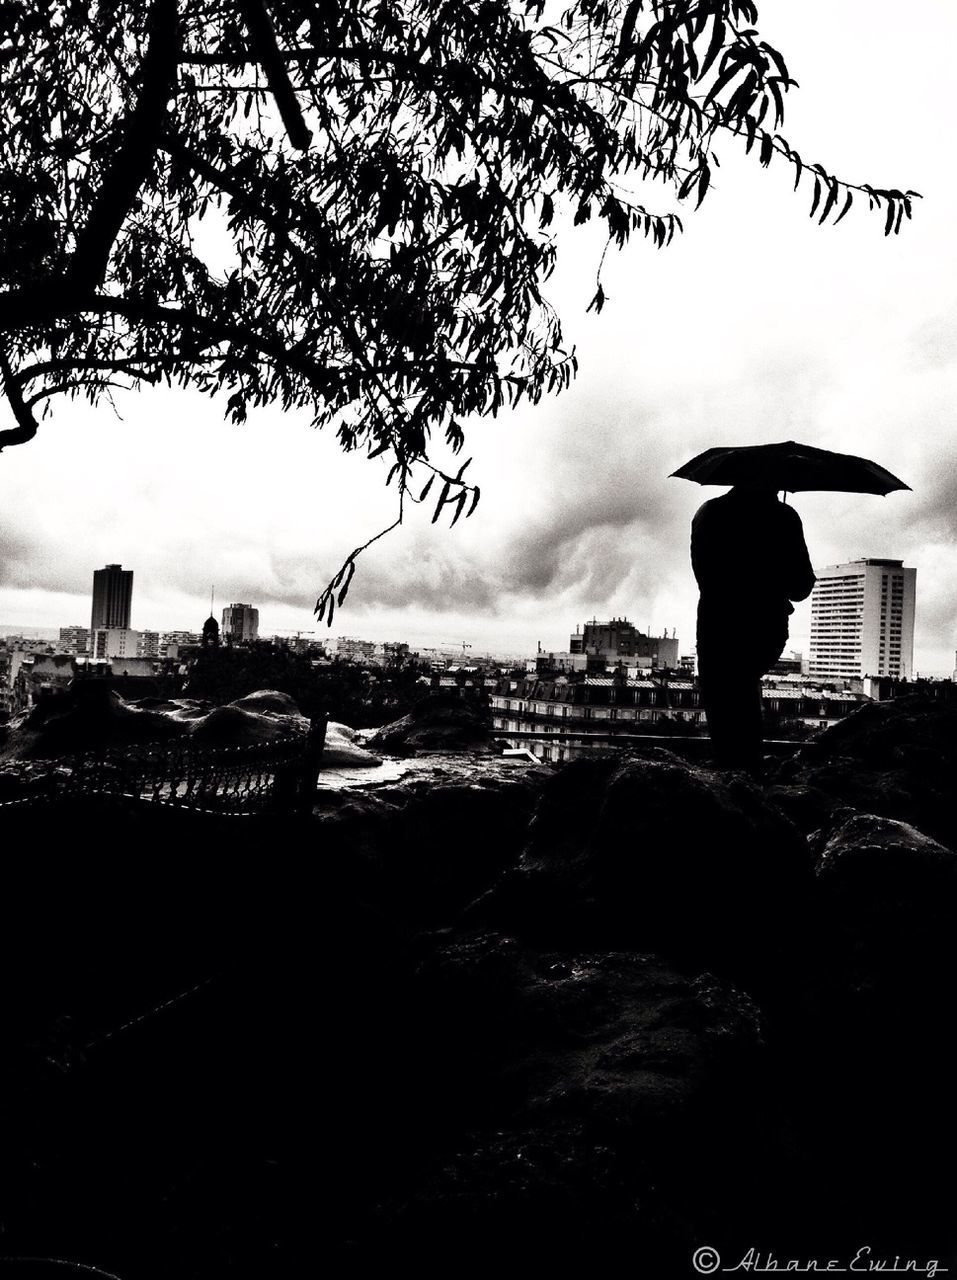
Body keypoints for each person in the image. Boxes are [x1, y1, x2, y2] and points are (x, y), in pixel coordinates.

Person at [690, 484, 815, 775]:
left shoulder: (707, 513)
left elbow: (703, 575)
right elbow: (800, 587)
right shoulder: (783, 517)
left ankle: (730, 772)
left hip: (715, 624)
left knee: (722, 700)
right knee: (744, 691)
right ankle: (746, 773)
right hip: (762, 625)